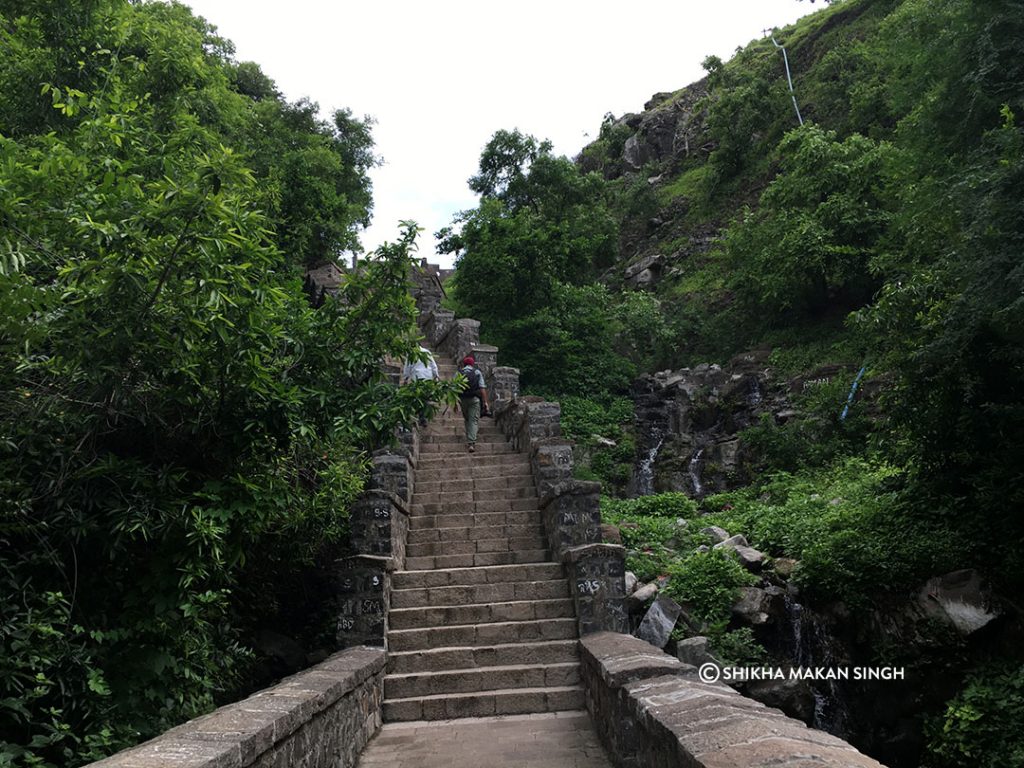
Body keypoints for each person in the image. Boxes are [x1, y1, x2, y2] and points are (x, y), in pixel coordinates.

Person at [457, 355, 490, 452]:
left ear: (464, 364)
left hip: (462, 400)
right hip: (474, 399)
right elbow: (482, 388)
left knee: (467, 419)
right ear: (472, 364)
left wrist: (455, 403)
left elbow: (454, 388)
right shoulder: (477, 372)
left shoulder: (459, 373)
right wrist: (485, 402)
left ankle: (469, 438)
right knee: (473, 420)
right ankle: (471, 443)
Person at [401, 345, 439, 427]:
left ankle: (422, 417)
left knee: (419, 397)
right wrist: (436, 376)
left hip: (417, 378)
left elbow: (407, 367)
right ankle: (424, 416)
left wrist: (405, 378)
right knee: (425, 397)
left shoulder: (411, 354)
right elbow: (433, 365)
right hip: (428, 376)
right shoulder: (427, 352)